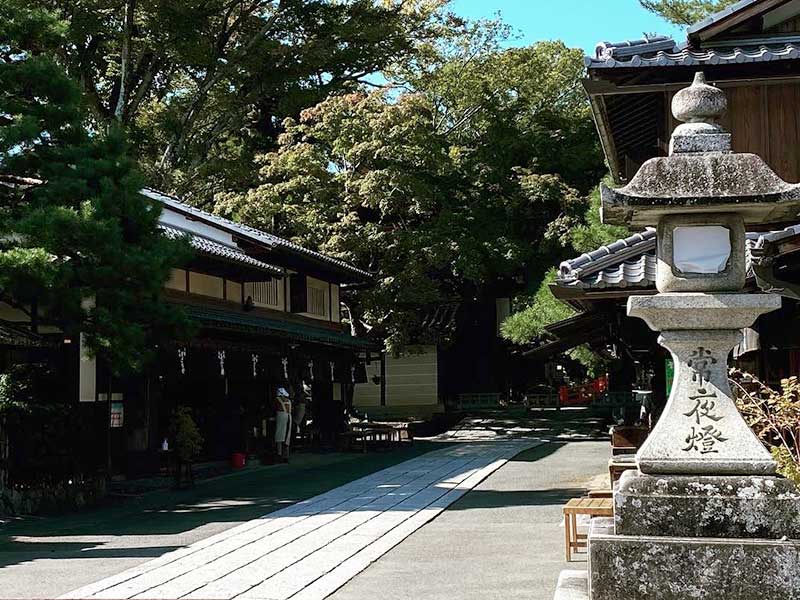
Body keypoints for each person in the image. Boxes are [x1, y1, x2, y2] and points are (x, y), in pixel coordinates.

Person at [274, 386, 292, 462]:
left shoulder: (277, 399)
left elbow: (274, 407)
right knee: (287, 436)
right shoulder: (289, 400)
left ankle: (279, 455)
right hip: (288, 417)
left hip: (281, 416)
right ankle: (286, 456)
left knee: (279, 436)